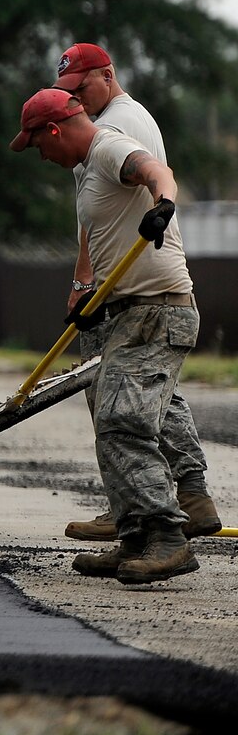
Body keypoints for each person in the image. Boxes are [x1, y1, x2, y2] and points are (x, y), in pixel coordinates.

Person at [11, 87, 201, 584]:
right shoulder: (86, 170)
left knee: (124, 421)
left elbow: (158, 171)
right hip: (127, 311)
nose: (42, 156)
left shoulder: (109, 147)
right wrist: (92, 300)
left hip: (159, 312)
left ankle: (167, 539)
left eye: (38, 145)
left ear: (53, 130)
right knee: (109, 419)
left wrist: (163, 203)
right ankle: (135, 537)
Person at [52, 43, 220, 543]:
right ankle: (165, 501)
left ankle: (161, 504)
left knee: (124, 398)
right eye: (68, 93)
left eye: (81, 89)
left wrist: (92, 282)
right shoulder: (100, 125)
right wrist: (85, 281)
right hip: (117, 285)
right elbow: (94, 218)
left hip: (141, 288)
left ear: (107, 75)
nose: (76, 100)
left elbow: (150, 181)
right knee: (139, 391)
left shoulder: (119, 127)